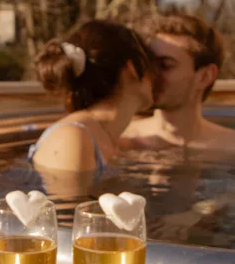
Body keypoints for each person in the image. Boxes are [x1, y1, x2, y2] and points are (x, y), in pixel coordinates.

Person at [121, 11, 235, 153]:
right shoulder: (123, 141)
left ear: (204, 77)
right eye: (149, 64)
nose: (151, 75)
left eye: (165, 66)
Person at [29, 19, 156, 173]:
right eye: (152, 63)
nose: (157, 75)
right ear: (133, 68)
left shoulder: (107, 138)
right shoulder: (73, 139)